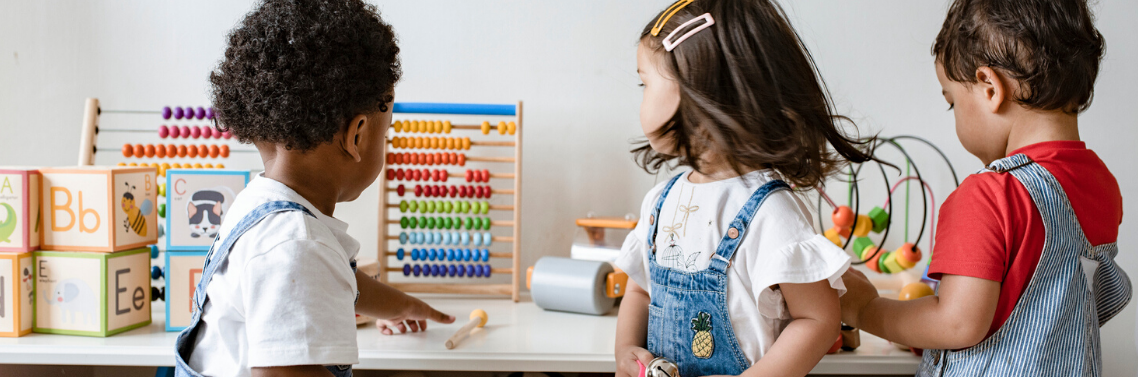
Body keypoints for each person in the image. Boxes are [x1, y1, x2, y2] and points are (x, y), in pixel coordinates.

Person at [839, 0, 1130, 375]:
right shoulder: (1102, 188)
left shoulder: (988, 195)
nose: (955, 114)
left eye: (952, 102)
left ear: (989, 87)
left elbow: (956, 324)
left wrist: (866, 309)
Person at [174, 1, 455, 376]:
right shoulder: (298, 245)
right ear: (356, 136)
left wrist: (403, 306)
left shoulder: (260, 207)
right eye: (384, 132)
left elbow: (341, 281)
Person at [613, 0, 878, 376]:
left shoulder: (770, 212)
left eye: (646, 82)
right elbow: (641, 291)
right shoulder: (660, 201)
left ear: (696, 92)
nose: (641, 95)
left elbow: (818, 320)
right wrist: (625, 349)